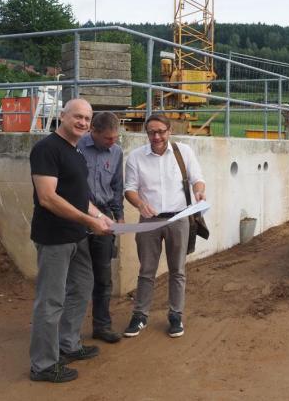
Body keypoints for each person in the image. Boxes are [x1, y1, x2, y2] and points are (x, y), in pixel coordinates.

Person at [28, 98, 114, 383]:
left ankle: (68, 344)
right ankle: (43, 365)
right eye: (77, 116)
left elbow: (80, 197)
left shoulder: (75, 152)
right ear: (62, 116)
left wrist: (100, 216)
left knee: (81, 288)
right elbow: (48, 198)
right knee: (50, 300)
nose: (83, 122)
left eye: (87, 119)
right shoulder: (46, 149)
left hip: (77, 236)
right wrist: (91, 222)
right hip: (54, 238)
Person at [123, 114, 206, 339]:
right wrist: (140, 203)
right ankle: (140, 315)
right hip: (149, 221)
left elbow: (197, 178)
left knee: (177, 270)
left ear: (169, 131)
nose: (156, 136)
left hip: (179, 219)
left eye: (161, 131)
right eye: (152, 132)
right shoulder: (136, 157)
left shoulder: (183, 152)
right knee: (146, 270)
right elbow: (129, 188)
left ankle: (175, 315)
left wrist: (198, 190)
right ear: (146, 133)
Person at [77, 111, 125, 344]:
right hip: (76, 216)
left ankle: (102, 326)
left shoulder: (116, 152)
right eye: (107, 138)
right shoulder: (76, 147)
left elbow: (117, 186)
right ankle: (70, 333)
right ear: (92, 131)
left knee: (103, 276)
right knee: (76, 277)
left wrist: (119, 216)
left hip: (105, 216)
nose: (112, 142)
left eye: (115, 137)